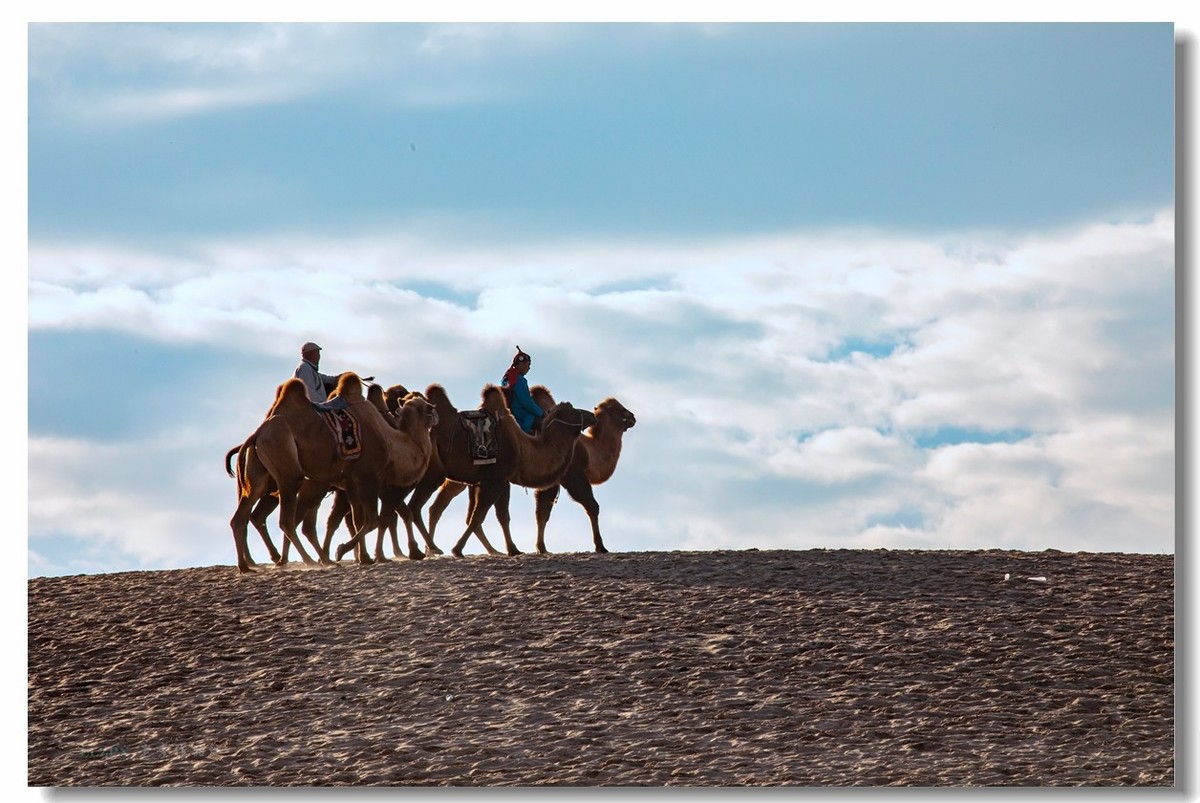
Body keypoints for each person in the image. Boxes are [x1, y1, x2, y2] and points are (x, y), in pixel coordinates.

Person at [294, 341, 371, 411]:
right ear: (311, 354)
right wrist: (324, 406)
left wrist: (344, 376)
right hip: (314, 411)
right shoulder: (305, 368)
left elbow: (328, 380)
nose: (319, 357)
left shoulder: (311, 370)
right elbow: (309, 393)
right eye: (317, 353)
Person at [501, 345, 545, 435]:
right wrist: (541, 413)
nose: (528, 368)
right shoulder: (520, 379)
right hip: (522, 418)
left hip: (510, 415)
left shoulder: (506, 379)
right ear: (521, 364)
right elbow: (527, 402)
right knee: (547, 425)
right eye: (528, 364)